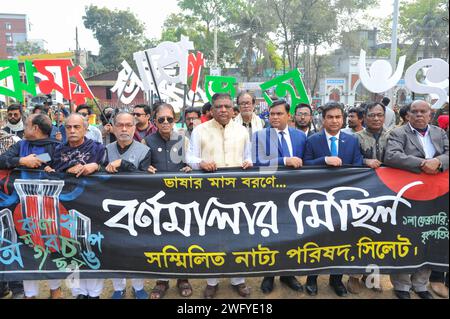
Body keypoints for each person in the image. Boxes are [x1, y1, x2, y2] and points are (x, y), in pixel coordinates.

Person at [187, 93, 253, 299]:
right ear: (212, 110)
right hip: (209, 194)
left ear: (233, 109)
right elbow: (189, 156)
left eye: (226, 106)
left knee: (238, 236)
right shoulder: (199, 130)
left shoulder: (242, 131)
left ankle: (238, 280)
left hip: (237, 193)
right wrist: (200, 163)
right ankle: (212, 281)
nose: (223, 110)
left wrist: (249, 163)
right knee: (212, 236)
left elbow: (249, 156)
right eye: (218, 107)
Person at [385, 100, 449, 299]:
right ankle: (402, 286)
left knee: (428, 236)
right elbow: (392, 156)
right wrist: (423, 163)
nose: (419, 115)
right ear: (408, 115)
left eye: (423, 111)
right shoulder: (398, 133)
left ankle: (420, 285)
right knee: (406, 237)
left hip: (436, 196)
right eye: (415, 112)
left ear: (431, 114)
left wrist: (438, 162)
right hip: (408, 194)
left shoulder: (440, 133)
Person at [303, 102, 363, 297]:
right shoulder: (313, 140)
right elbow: (305, 166)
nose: (335, 121)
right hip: (318, 200)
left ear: (343, 119)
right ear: (323, 119)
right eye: (330, 117)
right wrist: (324, 160)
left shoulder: (352, 140)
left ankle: (336, 280)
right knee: (316, 239)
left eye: (338, 117)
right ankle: (312, 279)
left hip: (344, 201)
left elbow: (357, 165)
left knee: (341, 240)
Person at [0, 114, 62, 299]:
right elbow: (2, 160)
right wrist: (21, 161)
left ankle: (55, 290)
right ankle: (30, 293)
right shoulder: (20, 145)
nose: (24, 128)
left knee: (52, 247)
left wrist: (40, 161)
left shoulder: (57, 146)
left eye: (26, 125)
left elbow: (57, 163)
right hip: (22, 209)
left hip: (51, 208)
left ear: (35, 128)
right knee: (26, 247)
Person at [45, 113, 105, 299]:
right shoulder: (56, 150)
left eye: (76, 127)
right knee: (69, 251)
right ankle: (77, 292)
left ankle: (94, 293)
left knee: (93, 249)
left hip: (93, 207)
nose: (71, 130)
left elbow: (108, 168)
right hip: (64, 209)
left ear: (86, 129)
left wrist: (95, 166)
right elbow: (47, 169)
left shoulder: (98, 148)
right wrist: (57, 169)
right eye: (68, 127)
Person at [253, 99, 307, 294]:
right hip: (270, 195)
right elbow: (256, 162)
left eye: (278, 114)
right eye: (271, 114)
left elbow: (307, 163)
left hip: (295, 196)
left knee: (293, 235)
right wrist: (285, 160)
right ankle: (269, 275)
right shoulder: (259, 135)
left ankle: (288, 274)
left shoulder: (300, 136)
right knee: (271, 235)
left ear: (288, 115)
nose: (274, 117)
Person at [143, 103, 194, 299]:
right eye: (161, 119)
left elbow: (191, 163)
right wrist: (146, 169)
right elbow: (143, 167)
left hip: (181, 201)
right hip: (157, 202)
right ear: (154, 121)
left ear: (175, 120)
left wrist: (191, 168)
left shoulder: (183, 141)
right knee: (160, 241)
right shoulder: (147, 141)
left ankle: (183, 278)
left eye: (169, 119)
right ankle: (161, 281)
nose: (165, 123)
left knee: (182, 240)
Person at [103, 112, 151, 299]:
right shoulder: (105, 150)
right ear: (113, 127)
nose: (124, 129)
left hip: (137, 208)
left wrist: (122, 164)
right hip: (111, 207)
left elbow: (143, 176)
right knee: (114, 248)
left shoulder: (144, 151)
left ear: (134, 127)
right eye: (120, 125)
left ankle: (138, 286)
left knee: (136, 248)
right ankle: (118, 287)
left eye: (128, 125)